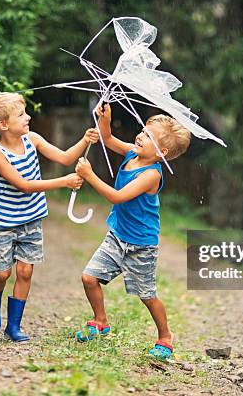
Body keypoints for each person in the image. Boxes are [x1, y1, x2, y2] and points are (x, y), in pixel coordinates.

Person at [74, 103, 190, 359]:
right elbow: (106, 138)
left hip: (141, 245)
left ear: (163, 151)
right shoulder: (132, 154)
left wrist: (89, 175)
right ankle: (100, 321)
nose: (140, 135)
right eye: (142, 130)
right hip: (117, 237)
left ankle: (165, 337)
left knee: (146, 295)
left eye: (148, 136)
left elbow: (117, 197)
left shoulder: (151, 175)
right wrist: (105, 117)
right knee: (89, 278)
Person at [0, 91, 99, 342]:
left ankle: (13, 326)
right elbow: (23, 185)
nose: (28, 117)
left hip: (31, 218)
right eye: (21, 114)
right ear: (3, 125)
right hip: (4, 221)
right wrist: (63, 182)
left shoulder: (32, 139)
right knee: (3, 273)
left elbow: (65, 157)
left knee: (25, 272)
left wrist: (84, 140)